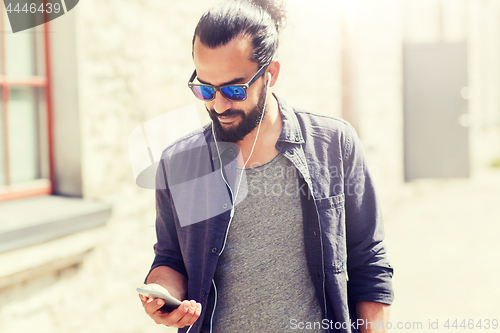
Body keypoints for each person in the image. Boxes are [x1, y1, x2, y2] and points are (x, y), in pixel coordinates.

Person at [140, 0, 394, 332]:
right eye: (205, 88)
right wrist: (162, 294)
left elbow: (369, 262)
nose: (219, 104)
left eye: (234, 89)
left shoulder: (335, 144)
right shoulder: (179, 163)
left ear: (270, 74)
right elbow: (170, 260)